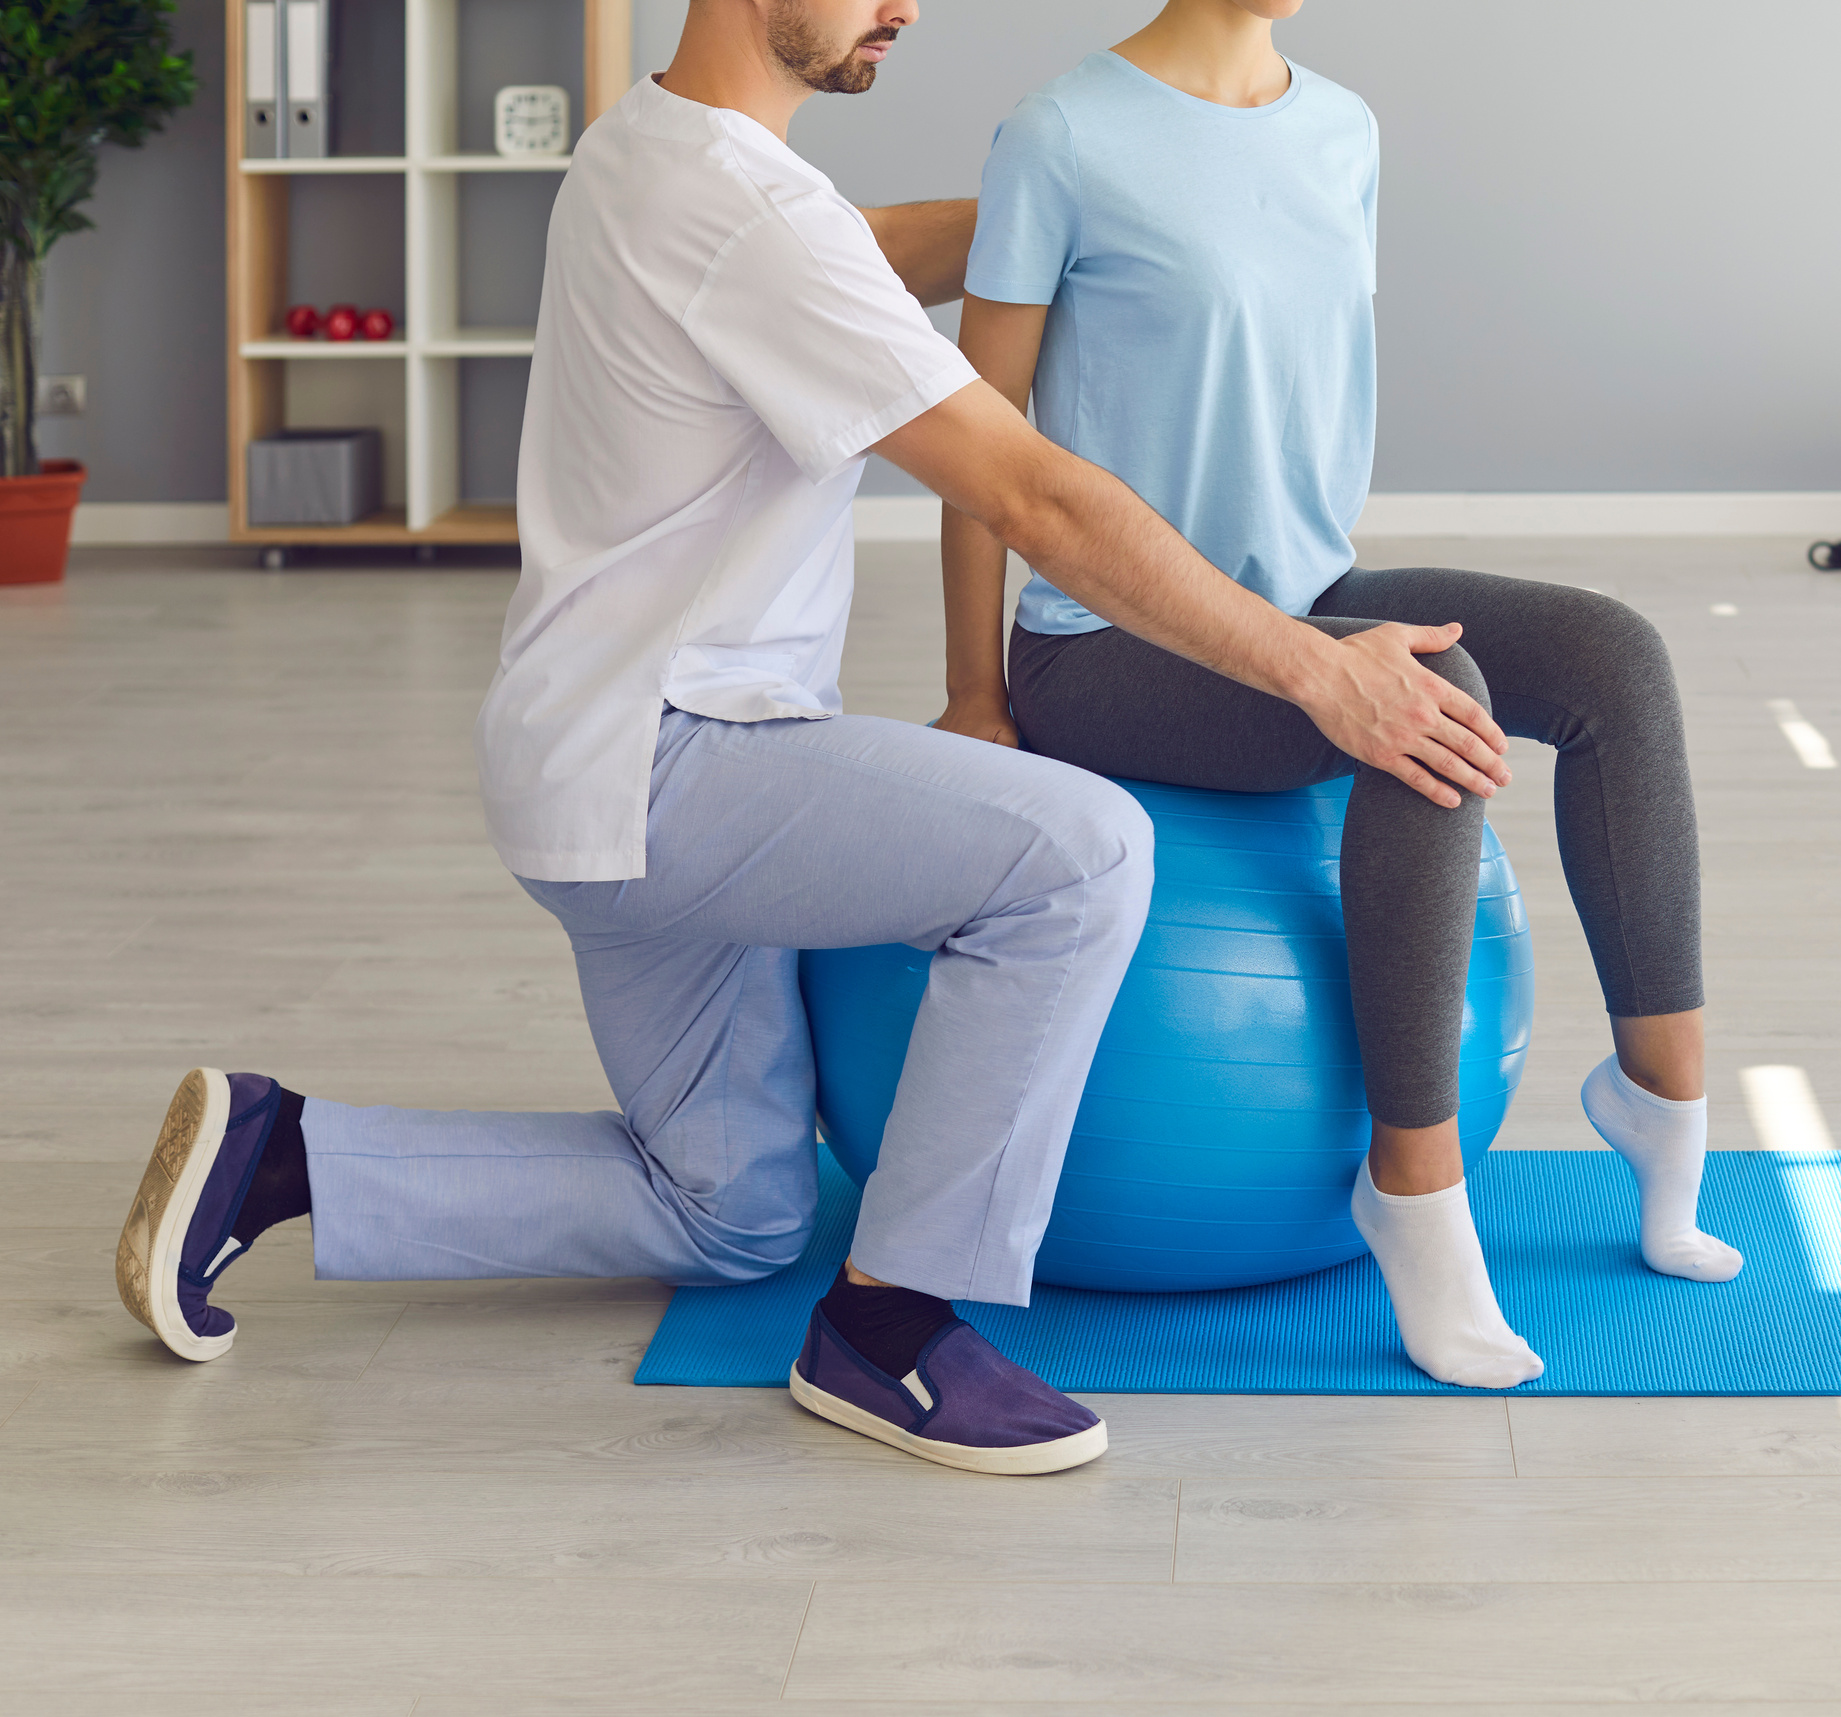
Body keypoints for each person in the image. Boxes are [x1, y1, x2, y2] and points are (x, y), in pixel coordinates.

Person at [113, 0, 1510, 1475]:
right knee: (1081, 851)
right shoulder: (751, 209)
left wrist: (1089, 205)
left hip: (586, 765)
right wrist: (1312, 669)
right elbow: (1032, 498)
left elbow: (860, 250)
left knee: (734, 1212)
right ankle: (893, 1329)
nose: (904, 4)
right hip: (680, 767)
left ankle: (284, 1151)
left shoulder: (654, 147)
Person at [939, 0, 1740, 1391]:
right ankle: (1414, 1191)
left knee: (1616, 656)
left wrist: (1322, 625)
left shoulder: (1343, 129)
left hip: (1304, 597)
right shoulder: (1062, 134)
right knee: (1434, 693)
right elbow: (978, 447)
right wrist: (974, 695)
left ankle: (1662, 1099)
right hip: (1106, 648)